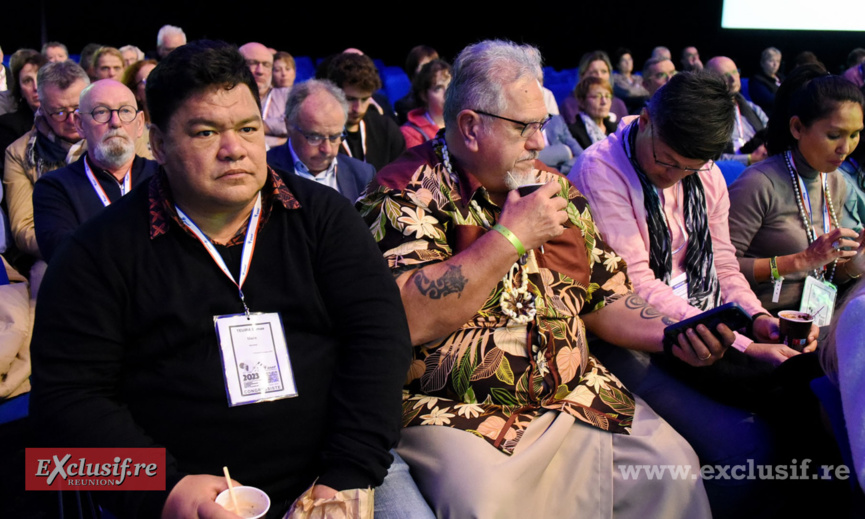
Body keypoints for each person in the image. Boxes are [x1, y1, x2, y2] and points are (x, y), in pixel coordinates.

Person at [29, 39, 413, 518]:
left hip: (338, 470)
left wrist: (347, 475)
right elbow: (65, 403)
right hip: (183, 494)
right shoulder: (98, 252)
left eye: (248, 128)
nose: (234, 149)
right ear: (159, 143)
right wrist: (162, 490)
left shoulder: (324, 219)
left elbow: (380, 341)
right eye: (206, 132)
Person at [358, 39, 724, 519]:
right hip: (462, 413)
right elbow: (409, 317)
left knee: (673, 469)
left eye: (542, 125)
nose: (538, 142)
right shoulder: (403, 193)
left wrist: (676, 333)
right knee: (485, 505)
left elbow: (605, 295)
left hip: (576, 397)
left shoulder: (557, 188)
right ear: (470, 126)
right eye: (525, 127)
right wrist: (510, 237)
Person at [569, 71, 814, 516]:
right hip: (627, 329)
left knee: (802, 401)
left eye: (690, 167)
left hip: (704, 318)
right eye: (667, 162)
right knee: (748, 447)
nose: (675, 176)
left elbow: (723, 264)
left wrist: (758, 318)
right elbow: (636, 283)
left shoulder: (706, 174)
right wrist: (743, 342)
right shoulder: (599, 171)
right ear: (644, 121)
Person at [728, 66, 865, 314]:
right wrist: (800, 260)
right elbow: (718, 268)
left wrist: (855, 265)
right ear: (797, 128)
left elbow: (826, 274)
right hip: (759, 322)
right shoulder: (759, 183)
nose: (845, 147)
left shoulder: (835, 181)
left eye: (855, 134)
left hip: (813, 320)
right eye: (834, 135)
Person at [33, 79, 156, 261]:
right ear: (80, 124)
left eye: (125, 111)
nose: (115, 122)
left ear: (139, 124)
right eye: (101, 112)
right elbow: (64, 256)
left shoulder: (164, 177)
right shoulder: (55, 187)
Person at [3, 60, 89, 282]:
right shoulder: (20, 152)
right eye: (59, 112)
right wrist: (75, 249)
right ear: (41, 106)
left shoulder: (115, 138)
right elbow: (24, 228)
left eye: (79, 108)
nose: (72, 120)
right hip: (54, 254)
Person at [267, 79, 376, 201]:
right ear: (289, 126)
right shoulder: (265, 170)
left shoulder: (362, 174)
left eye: (335, 137)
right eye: (315, 137)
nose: (327, 150)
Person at [325, 53, 405, 170]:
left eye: (364, 99)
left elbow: (403, 174)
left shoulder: (386, 128)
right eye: (350, 99)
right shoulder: (322, 135)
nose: (358, 109)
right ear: (333, 93)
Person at [705, 56, 769, 166]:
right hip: (728, 174)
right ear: (711, 81)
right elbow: (708, 160)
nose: (733, 79)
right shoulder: (706, 115)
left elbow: (773, 135)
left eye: (735, 72)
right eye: (725, 75)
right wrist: (749, 159)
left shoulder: (753, 109)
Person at [239, 42, 289, 149]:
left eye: (266, 65)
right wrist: (279, 141)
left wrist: (246, 128)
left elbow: (293, 126)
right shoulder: (227, 99)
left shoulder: (286, 95)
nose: (260, 71)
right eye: (252, 63)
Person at [560, 51, 628, 124]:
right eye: (593, 72)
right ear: (582, 75)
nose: (599, 76)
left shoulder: (619, 105)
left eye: (604, 71)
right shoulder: (569, 105)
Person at [400, 59, 450, 148]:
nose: (447, 92)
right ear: (423, 95)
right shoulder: (411, 133)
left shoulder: (464, 122)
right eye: (438, 88)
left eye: (450, 86)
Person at [567, 76, 617, 150]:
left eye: (607, 96)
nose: (604, 102)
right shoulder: (572, 133)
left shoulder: (617, 129)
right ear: (582, 102)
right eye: (597, 96)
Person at [395, 45, 439, 124]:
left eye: (432, 66)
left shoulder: (446, 98)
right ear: (412, 73)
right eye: (424, 67)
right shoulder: (403, 106)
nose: (429, 72)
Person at [611, 47, 649, 113]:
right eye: (624, 60)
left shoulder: (639, 78)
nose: (628, 62)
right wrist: (642, 94)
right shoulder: (615, 79)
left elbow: (648, 92)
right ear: (618, 64)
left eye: (630, 59)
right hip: (627, 111)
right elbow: (628, 94)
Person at [749, 47, 783, 117]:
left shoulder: (782, 78)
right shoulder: (756, 81)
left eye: (778, 61)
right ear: (762, 63)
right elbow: (770, 100)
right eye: (771, 61)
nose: (775, 64)